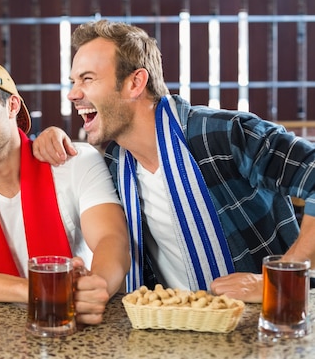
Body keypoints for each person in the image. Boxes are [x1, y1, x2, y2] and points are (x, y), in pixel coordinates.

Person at [32, 19, 315, 303]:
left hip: (264, 324)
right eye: (73, 81)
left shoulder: (225, 135)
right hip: (174, 330)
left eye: (87, 79)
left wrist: (276, 280)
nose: (72, 93)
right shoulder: (117, 165)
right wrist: (50, 136)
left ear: (135, 83)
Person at [0, 60, 130, 325]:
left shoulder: (75, 161)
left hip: (74, 325)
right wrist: (42, 290)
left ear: (12, 106)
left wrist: (95, 287)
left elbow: (112, 239)